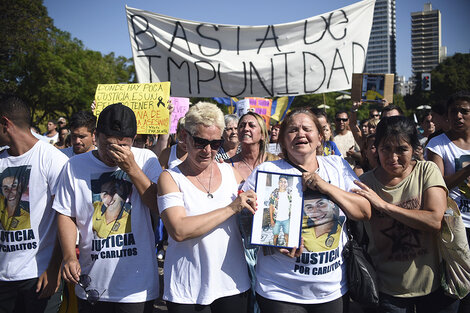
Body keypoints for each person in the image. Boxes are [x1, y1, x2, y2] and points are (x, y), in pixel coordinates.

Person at [242, 108, 371, 312]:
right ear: (283, 141)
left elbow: (364, 211)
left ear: (320, 137)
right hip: (279, 290)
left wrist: (325, 186)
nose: (300, 134)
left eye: (307, 129)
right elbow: (244, 220)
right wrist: (271, 241)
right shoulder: (267, 172)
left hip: (331, 289)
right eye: (293, 130)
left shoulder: (337, 166)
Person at [54, 103, 162, 313]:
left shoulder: (146, 159)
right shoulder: (75, 166)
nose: (115, 153)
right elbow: (65, 214)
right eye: (109, 145)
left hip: (137, 288)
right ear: (96, 136)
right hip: (92, 283)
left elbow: (158, 205)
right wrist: (68, 255)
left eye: (123, 146)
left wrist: (132, 169)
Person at [354, 116, 459, 312]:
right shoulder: (364, 184)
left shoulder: (427, 171)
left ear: (414, 148)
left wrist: (385, 206)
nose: (393, 158)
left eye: (402, 149)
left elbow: (435, 220)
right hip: (387, 293)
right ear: (376, 149)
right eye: (386, 149)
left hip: (434, 288)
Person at [157, 102, 255, 313]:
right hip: (187, 290)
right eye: (200, 142)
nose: (208, 150)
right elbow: (179, 230)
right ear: (185, 137)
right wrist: (231, 208)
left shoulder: (232, 174)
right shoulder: (170, 178)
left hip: (232, 284)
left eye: (215, 143)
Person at [0, 95, 69, 313]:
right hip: (3, 277)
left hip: (38, 275)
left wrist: (54, 268)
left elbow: (65, 216)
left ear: (5, 124)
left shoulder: (52, 159)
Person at [426, 91, 470, 313]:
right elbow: (439, 184)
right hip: (455, 228)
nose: (459, 116)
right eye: (454, 111)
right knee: (453, 290)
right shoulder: (438, 144)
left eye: (464, 111)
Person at [269, 175, 292, 246]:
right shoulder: (274, 193)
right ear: (278, 183)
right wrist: (271, 220)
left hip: (287, 219)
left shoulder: (290, 193)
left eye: (285, 182)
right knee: (275, 236)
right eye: (281, 181)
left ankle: (288, 248)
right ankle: (274, 248)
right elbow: (271, 207)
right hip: (277, 220)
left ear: (287, 184)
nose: (283, 183)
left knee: (287, 235)